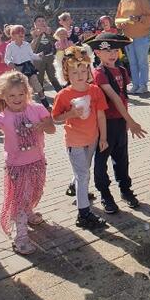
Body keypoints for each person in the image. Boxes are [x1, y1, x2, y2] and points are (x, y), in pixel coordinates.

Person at [0, 71, 55, 255]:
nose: (17, 98)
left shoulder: (36, 109)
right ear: (3, 96)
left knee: (34, 191)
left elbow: (51, 129)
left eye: (21, 94)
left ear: (27, 93)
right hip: (17, 167)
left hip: (37, 162)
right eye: (11, 95)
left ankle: (28, 213)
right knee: (19, 200)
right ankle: (20, 238)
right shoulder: (2, 117)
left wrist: (44, 126)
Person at [87, 33, 148, 214]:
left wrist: (126, 120)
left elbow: (123, 96)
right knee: (101, 161)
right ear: (97, 53)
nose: (112, 54)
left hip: (120, 122)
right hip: (104, 124)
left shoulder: (121, 70)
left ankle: (125, 190)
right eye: (107, 51)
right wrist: (132, 121)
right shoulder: (99, 73)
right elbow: (113, 97)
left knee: (122, 159)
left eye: (115, 50)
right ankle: (105, 194)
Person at [52, 46, 108, 229]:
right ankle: (83, 214)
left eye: (83, 70)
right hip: (74, 141)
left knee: (83, 171)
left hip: (92, 139)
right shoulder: (63, 95)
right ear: (66, 73)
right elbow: (56, 118)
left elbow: (100, 115)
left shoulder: (95, 91)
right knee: (83, 174)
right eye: (74, 72)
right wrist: (71, 114)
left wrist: (103, 138)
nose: (79, 75)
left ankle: (74, 186)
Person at [115, 0, 150, 94]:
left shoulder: (143, 0)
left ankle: (143, 85)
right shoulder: (122, 1)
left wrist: (138, 18)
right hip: (128, 37)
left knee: (142, 62)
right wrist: (120, 24)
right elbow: (117, 18)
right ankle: (135, 85)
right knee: (132, 62)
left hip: (142, 36)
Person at [4, 25, 50, 109]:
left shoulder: (26, 44)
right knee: (23, 87)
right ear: (13, 35)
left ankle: (45, 104)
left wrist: (39, 55)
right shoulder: (10, 46)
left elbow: (32, 55)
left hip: (29, 67)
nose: (21, 34)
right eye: (19, 33)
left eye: (23, 33)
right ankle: (28, 106)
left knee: (37, 85)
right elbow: (6, 58)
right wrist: (9, 63)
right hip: (18, 69)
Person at [30, 15, 61, 92]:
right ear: (35, 24)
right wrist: (38, 34)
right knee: (39, 78)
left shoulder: (50, 31)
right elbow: (32, 46)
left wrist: (49, 33)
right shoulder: (33, 32)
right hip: (38, 58)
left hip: (50, 56)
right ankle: (41, 96)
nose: (41, 23)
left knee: (53, 77)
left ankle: (60, 92)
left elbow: (56, 40)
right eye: (39, 21)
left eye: (43, 21)